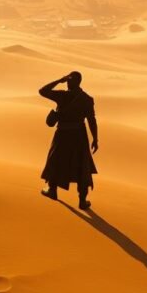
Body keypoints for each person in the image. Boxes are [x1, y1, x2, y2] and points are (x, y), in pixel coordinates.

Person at [38, 71, 98, 210]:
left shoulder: (63, 96)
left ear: (70, 81)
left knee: (56, 160)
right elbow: (91, 120)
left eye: (69, 80)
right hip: (79, 136)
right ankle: (82, 200)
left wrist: (59, 80)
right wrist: (95, 138)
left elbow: (43, 91)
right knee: (81, 165)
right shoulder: (87, 99)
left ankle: (52, 190)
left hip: (63, 134)